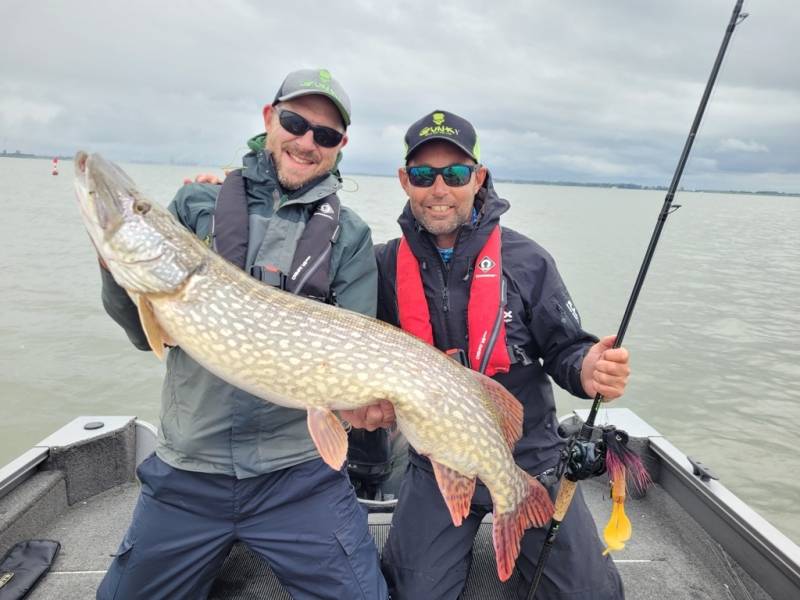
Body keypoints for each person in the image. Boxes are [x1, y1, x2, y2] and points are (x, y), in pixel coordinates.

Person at [96, 69, 388, 600]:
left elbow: (354, 365)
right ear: (269, 117)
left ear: (339, 147)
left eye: (325, 135)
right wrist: (113, 267)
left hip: (297, 476)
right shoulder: (195, 205)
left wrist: (362, 407)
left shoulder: (351, 236)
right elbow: (144, 335)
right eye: (296, 122)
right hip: (188, 469)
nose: (306, 142)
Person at [342, 109, 630, 599]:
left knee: (588, 594)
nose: (439, 189)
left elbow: (566, 347)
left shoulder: (528, 261)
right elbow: (337, 326)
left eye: (454, 174)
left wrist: (589, 368)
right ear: (403, 181)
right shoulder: (384, 265)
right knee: (412, 594)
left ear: (477, 177)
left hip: (530, 453)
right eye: (422, 174)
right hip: (434, 459)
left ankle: (522, 527)